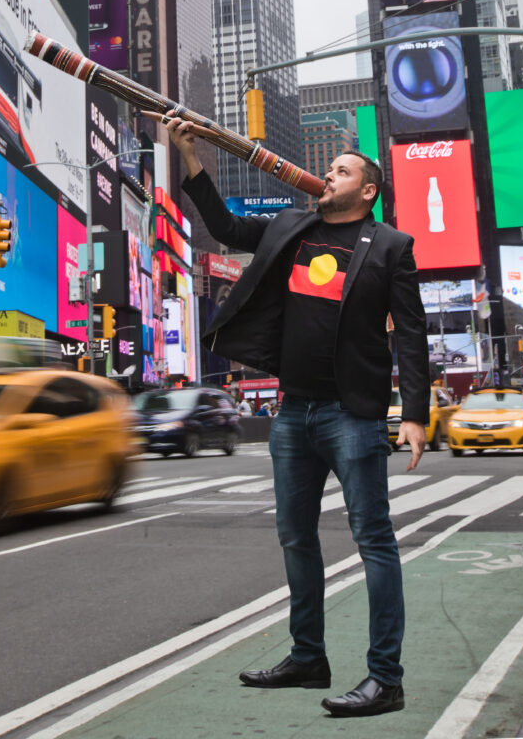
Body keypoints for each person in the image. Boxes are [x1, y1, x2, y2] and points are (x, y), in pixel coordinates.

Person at [166, 116, 429, 719]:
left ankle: (385, 678)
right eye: (329, 168)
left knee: (373, 541)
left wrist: (414, 412)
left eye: (342, 171)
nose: (328, 175)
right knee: (295, 537)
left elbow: (411, 335)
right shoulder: (291, 225)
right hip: (293, 414)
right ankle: (308, 655)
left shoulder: (390, 246)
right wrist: (191, 159)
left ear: (367, 190)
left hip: (353, 415)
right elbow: (227, 227)